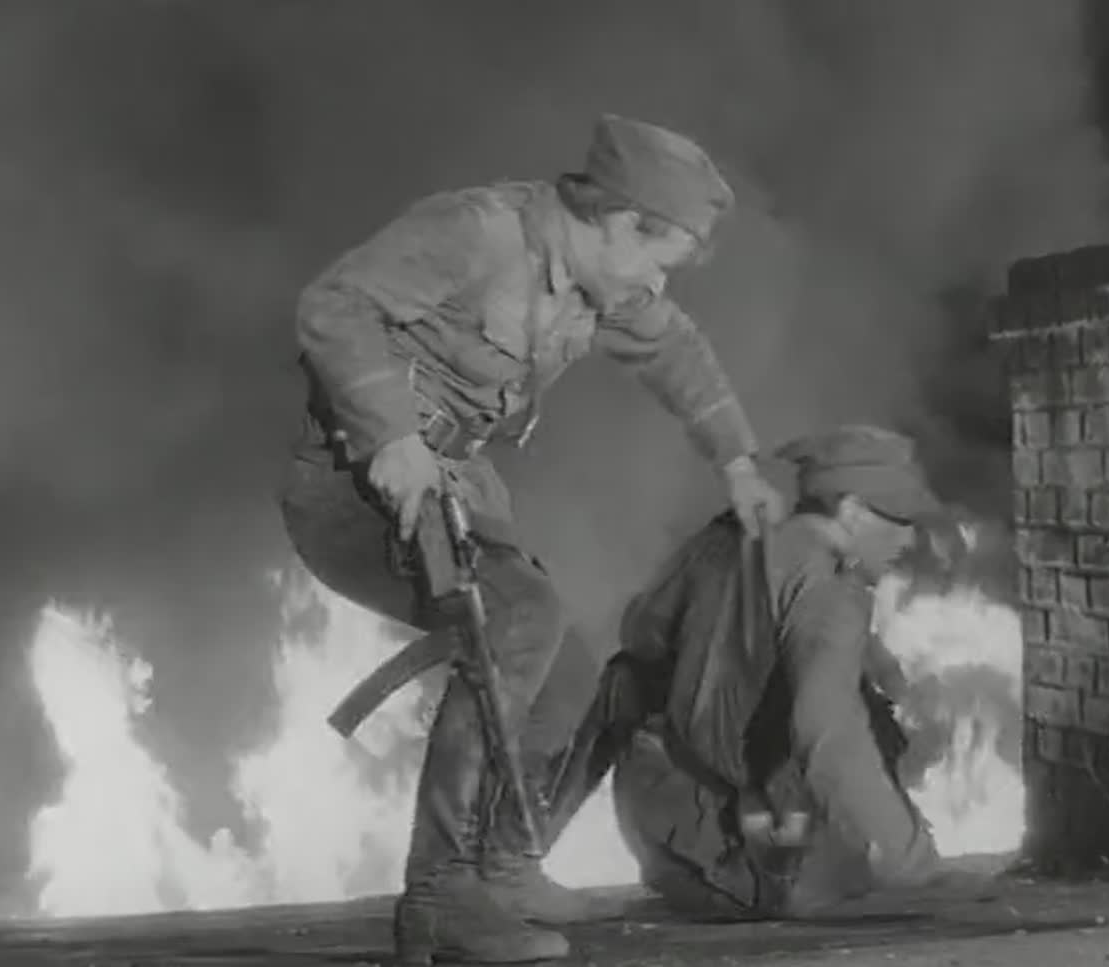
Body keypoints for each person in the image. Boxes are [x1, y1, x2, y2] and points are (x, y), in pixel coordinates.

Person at [278, 114, 785, 963]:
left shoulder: (599, 285)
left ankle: (504, 866)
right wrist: (391, 435)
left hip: (454, 483)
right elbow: (334, 305)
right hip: (347, 483)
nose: (656, 283)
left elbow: (676, 350)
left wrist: (736, 459)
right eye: (658, 259)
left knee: (567, 668)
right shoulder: (479, 232)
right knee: (518, 619)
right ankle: (439, 895)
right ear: (619, 222)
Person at [534, 424, 990, 919]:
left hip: (665, 843)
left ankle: (516, 856)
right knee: (862, 726)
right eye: (900, 519)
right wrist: (918, 867)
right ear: (853, 510)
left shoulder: (728, 538)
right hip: (751, 873)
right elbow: (829, 737)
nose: (909, 538)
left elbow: (642, 631)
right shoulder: (832, 594)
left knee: (627, 678)